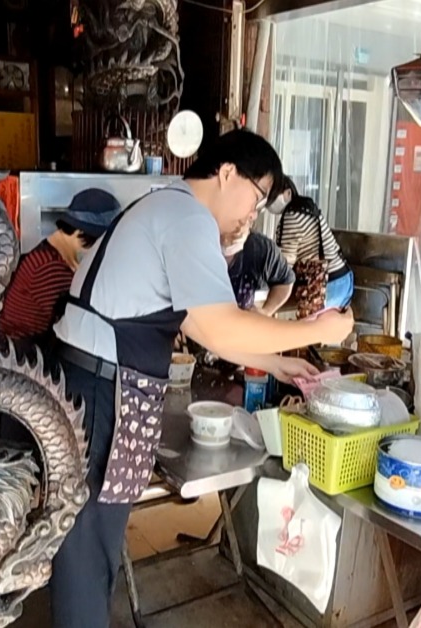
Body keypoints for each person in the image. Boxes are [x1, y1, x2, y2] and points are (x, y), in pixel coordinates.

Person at [48, 129, 353, 627]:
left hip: (94, 388)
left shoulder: (167, 207)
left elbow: (198, 325)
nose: (252, 216)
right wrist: (316, 329)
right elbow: (218, 324)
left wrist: (276, 363)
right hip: (101, 395)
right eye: (256, 198)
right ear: (227, 173)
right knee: (86, 552)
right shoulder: (186, 217)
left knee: (91, 546)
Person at [0, 188, 122, 347]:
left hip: (22, 348)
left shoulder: (51, 254)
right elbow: (79, 319)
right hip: (20, 354)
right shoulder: (50, 267)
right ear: (80, 233)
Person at [276, 180, 354, 310]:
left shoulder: (291, 214)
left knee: (310, 325)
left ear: (288, 193)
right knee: (333, 323)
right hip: (343, 277)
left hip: (325, 285)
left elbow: (285, 264)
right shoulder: (307, 207)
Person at [223, 217, 295, 315]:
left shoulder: (260, 248)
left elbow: (285, 281)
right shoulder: (202, 246)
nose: (238, 229)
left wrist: (266, 311)